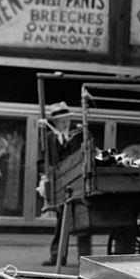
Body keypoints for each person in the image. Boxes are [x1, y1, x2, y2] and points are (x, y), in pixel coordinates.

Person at [38, 102, 91, 266]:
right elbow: (40, 161)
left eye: (67, 119)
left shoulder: (80, 133)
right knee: (62, 220)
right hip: (60, 184)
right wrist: (47, 173)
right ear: (55, 122)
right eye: (61, 121)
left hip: (79, 182)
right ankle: (57, 256)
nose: (65, 123)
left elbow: (89, 153)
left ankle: (85, 258)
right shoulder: (48, 137)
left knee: (82, 218)